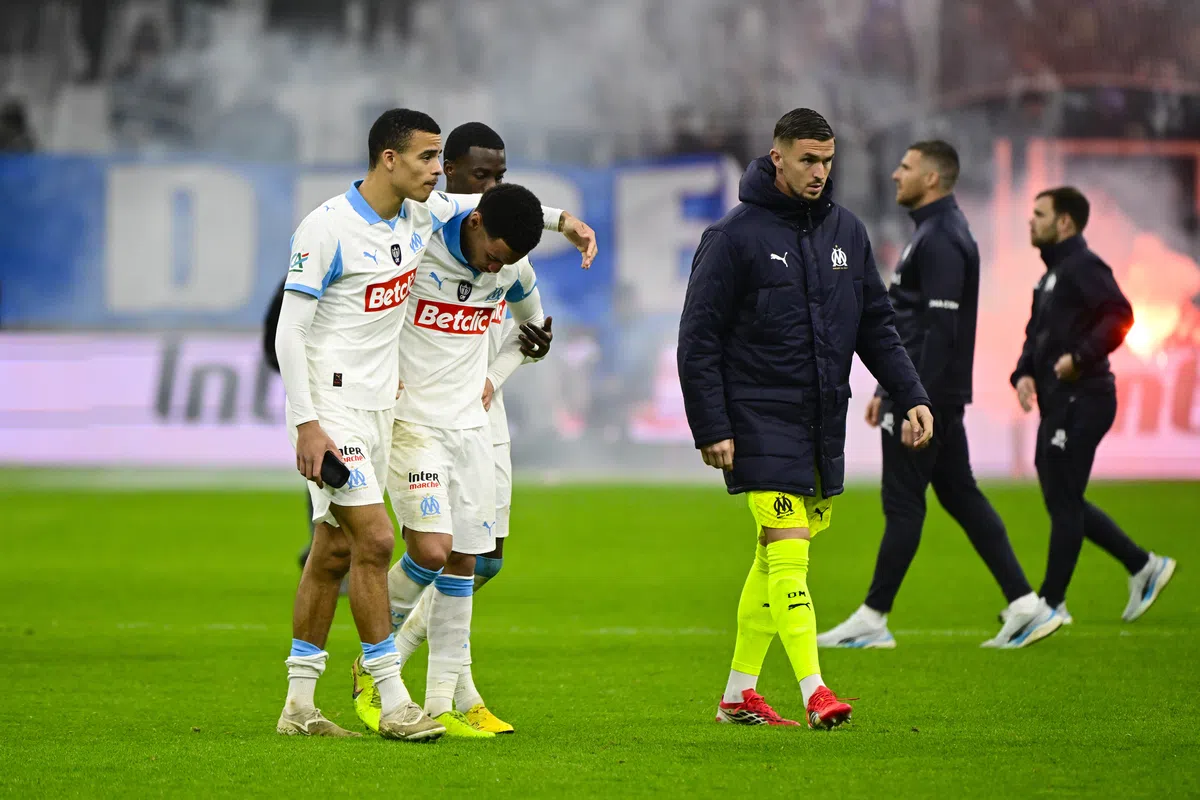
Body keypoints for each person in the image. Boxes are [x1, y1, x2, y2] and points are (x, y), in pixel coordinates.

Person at [275, 108, 595, 740]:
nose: (437, 172)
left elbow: (489, 205)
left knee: (334, 550)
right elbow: (290, 329)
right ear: (389, 158)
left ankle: (298, 705)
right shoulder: (326, 227)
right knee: (376, 542)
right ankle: (391, 696)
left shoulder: (420, 217)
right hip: (334, 409)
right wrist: (306, 423)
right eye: (427, 158)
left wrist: (564, 222)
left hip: (382, 408)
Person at [677, 108, 934, 729]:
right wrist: (712, 426)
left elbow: (876, 325)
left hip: (821, 422)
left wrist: (911, 393)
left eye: (827, 161)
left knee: (771, 557)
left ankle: (738, 694)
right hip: (757, 421)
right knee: (790, 553)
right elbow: (697, 339)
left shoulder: (846, 231)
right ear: (778, 158)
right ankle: (815, 691)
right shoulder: (733, 237)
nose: (820, 172)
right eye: (808, 160)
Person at [817, 141, 1061, 650]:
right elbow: (912, 324)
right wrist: (888, 386)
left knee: (903, 502)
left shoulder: (943, 237)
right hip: (930, 393)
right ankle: (1025, 605)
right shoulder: (933, 232)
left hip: (928, 397)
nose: (895, 174)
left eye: (906, 167)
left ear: (931, 178)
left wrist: (914, 402)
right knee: (960, 494)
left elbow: (940, 330)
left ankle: (873, 618)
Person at [355, 122, 553, 737]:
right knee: (432, 551)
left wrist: (496, 375)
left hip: (472, 424)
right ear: (475, 220)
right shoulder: (418, 243)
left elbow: (535, 330)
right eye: (496, 252)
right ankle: (375, 661)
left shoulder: (511, 268)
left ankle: (443, 702)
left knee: (467, 561)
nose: (498, 266)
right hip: (412, 424)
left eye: (509, 261)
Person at [1011, 186, 1176, 623]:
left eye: (1040, 214)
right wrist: (1023, 373)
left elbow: (1120, 313)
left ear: (1064, 222)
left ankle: (1050, 604)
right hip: (1059, 402)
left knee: (1064, 499)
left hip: (1085, 398)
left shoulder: (1084, 265)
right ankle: (1142, 565)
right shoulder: (1051, 275)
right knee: (1061, 498)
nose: (1031, 221)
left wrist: (1081, 358)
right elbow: (1035, 334)